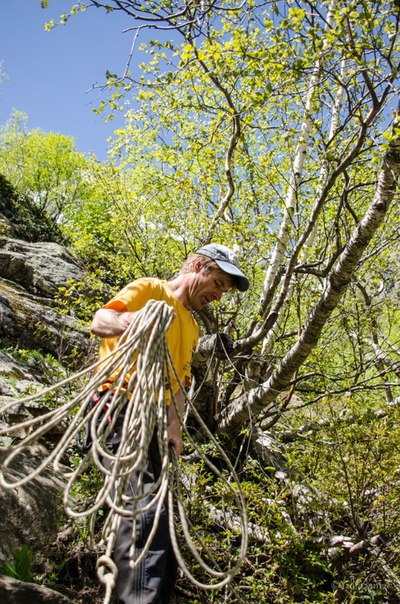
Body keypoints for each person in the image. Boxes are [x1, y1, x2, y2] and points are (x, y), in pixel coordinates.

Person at [90, 243, 249, 604]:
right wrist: (131, 322)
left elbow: (179, 384)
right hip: (121, 406)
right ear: (197, 266)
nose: (218, 296)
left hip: (154, 424)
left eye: (224, 290)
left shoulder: (191, 327)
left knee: (158, 519)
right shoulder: (151, 290)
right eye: (218, 283)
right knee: (144, 512)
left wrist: (175, 426)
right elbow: (101, 321)